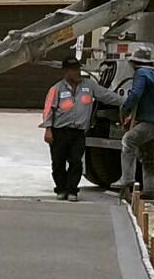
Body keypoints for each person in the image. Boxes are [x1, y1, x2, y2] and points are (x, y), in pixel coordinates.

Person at [41, 55, 123, 201]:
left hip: (78, 132)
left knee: (76, 162)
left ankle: (72, 190)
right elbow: (48, 110)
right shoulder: (56, 89)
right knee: (58, 163)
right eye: (73, 70)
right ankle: (61, 189)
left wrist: (126, 102)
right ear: (66, 71)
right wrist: (48, 129)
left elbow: (106, 95)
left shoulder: (89, 86)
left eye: (78, 69)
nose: (77, 72)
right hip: (60, 131)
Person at [110, 48, 154, 198]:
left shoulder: (141, 73)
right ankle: (150, 190)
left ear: (134, 63)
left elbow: (135, 94)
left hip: (149, 122)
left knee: (128, 141)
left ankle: (127, 180)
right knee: (147, 155)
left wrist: (125, 109)